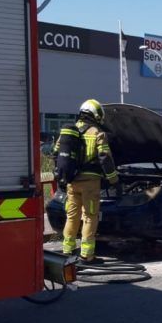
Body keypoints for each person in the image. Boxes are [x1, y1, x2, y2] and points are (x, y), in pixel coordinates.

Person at [57, 99, 119, 264]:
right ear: (96, 115)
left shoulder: (69, 131)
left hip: (72, 181)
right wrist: (114, 179)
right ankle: (87, 255)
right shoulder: (98, 133)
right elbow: (105, 158)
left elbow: (56, 151)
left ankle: (67, 251)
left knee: (72, 216)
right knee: (90, 217)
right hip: (90, 182)